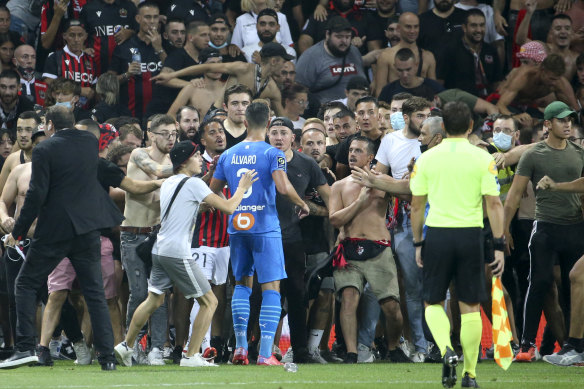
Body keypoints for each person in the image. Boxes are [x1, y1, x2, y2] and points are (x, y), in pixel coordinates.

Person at [0, 105, 123, 370]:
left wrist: (17, 232)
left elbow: (36, 194)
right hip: (88, 229)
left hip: (54, 230)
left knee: (25, 284)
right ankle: (107, 359)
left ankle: (24, 348)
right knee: (94, 293)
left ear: (50, 125)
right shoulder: (90, 142)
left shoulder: (44, 149)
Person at [115, 140, 256, 368]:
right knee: (210, 301)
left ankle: (125, 346)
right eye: (197, 155)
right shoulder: (194, 184)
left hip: (159, 250)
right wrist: (241, 187)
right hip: (176, 252)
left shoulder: (171, 181)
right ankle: (191, 356)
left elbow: (179, 208)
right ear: (185, 161)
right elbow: (229, 207)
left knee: (154, 299)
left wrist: (197, 208)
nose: (201, 158)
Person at [410, 101, 505, 388]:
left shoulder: (426, 159)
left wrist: (417, 242)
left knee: (433, 301)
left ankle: (446, 349)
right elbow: (494, 203)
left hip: (438, 234)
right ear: (470, 127)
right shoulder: (482, 158)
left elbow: (417, 206)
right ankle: (470, 374)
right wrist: (498, 244)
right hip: (470, 235)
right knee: (470, 305)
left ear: (443, 127)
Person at [209, 102, 309, 366]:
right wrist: (302, 203)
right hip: (265, 227)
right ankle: (265, 353)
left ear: (244, 123)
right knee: (272, 287)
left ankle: (240, 349)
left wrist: (233, 205)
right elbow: (284, 187)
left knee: (242, 284)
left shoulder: (228, 154)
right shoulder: (272, 153)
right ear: (267, 124)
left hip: (238, 227)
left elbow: (212, 191)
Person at [504, 101, 584, 362]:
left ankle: (575, 346)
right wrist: (504, 230)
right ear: (547, 124)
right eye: (561, 120)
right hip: (545, 227)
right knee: (537, 283)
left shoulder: (579, 152)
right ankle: (527, 345)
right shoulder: (533, 154)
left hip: (574, 227)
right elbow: (514, 195)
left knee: (575, 289)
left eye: (569, 120)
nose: (568, 124)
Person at [329, 135, 409, 364]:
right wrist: (360, 201)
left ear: (371, 157)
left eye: (358, 150)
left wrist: (408, 177)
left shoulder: (382, 180)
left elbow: (409, 193)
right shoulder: (339, 186)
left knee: (392, 306)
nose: (352, 154)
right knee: (348, 298)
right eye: (350, 150)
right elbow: (335, 220)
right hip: (348, 249)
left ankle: (393, 347)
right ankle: (352, 354)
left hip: (380, 249)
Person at [268, 116, 330, 363]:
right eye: (274, 133)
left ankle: (301, 350)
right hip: (264, 238)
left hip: (293, 239)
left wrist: (326, 216)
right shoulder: (261, 160)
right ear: (268, 136)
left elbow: (331, 198)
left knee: (296, 293)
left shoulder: (307, 163)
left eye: (284, 132)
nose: (279, 137)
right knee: (263, 295)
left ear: (293, 139)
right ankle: (258, 348)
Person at [120, 114, 176, 366]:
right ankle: (131, 345)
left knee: (159, 293)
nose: (171, 138)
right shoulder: (138, 155)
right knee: (139, 292)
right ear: (150, 134)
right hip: (133, 233)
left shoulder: (174, 159)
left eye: (174, 134)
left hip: (159, 234)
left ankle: (157, 348)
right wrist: (184, 166)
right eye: (165, 133)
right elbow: (155, 171)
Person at [152, 42, 291, 116]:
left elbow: (284, 120)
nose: (286, 66)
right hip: (217, 117)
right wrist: (172, 75)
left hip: (240, 124)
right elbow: (205, 68)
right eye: (283, 61)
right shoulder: (243, 68)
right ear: (273, 61)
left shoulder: (272, 88)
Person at [109, 1, 165, 121]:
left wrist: (159, 48)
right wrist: (127, 74)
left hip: (159, 115)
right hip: (129, 115)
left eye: (155, 17)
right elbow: (108, 83)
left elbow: (173, 73)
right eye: (147, 17)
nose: (152, 21)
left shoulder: (165, 44)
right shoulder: (123, 46)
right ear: (138, 18)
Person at [296, 17, 367, 108]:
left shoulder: (354, 52)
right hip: (326, 113)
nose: (344, 41)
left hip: (359, 109)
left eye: (347, 37)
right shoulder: (310, 57)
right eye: (339, 37)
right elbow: (298, 92)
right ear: (327, 34)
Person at [437, 9, 503, 98]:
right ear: (464, 28)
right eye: (474, 26)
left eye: (482, 25)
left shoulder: (491, 50)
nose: (479, 30)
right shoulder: (450, 50)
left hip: (488, 101)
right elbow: (440, 83)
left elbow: (496, 82)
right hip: (460, 102)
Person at [375, 12, 437, 96]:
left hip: (422, 106)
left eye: (416, 27)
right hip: (394, 106)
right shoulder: (385, 56)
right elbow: (380, 93)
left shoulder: (428, 57)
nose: (412, 31)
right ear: (399, 28)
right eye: (408, 27)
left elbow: (433, 91)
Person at [516, 2, 578, 80]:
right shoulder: (542, 49)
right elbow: (520, 41)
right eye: (558, 28)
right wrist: (529, 13)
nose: (563, 32)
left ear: (572, 33)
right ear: (551, 33)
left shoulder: (575, 59)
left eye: (567, 28)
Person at [42, 19, 96, 103]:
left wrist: (92, 93)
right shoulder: (55, 57)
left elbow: (94, 88)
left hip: (85, 112)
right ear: (64, 36)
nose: (76, 39)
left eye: (80, 35)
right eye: (72, 35)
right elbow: (49, 82)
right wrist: (79, 90)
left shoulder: (91, 60)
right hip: (61, 110)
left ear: (85, 36)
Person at [79, 0, 137, 76]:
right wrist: (82, 50)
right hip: (96, 67)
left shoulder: (129, 6)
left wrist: (130, 33)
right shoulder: (89, 8)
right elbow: (80, 34)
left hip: (124, 68)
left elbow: (140, 33)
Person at [166, 48, 226, 120]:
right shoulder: (191, 89)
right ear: (200, 67)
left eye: (219, 63)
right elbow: (170, 116)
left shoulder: (228, 88)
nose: (217, 67)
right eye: (211, 64)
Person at [378, 48, 444, 103]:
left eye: (408, 69)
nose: (404, 75)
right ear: (395, 67)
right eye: (400, 70)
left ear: (416, 66)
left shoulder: (434, 88)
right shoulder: (387, 91)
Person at [0, 111, 40, 194]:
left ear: (39, 130)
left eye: (29, 130)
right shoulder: (12, 160)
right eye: (19, 130)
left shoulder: (50, 158)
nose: (23, 134)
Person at [0, 70, 34, 137]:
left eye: (12, 87)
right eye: (3, 87)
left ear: (19, 87)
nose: (7, 92)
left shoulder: (27, 106)